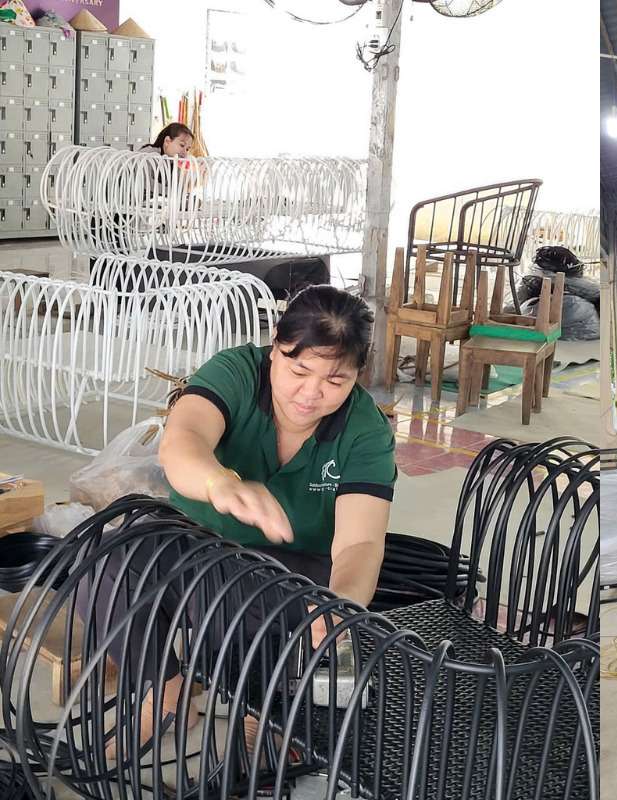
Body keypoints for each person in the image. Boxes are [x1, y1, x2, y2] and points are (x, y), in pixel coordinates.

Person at [103, 284, 397, 753]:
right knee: (110, 564)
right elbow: (183, 440)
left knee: (244, 610)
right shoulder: (237, 371)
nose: (311, 393)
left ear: (357, 375)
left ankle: (263, 714)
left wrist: (340, 606)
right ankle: (164, 694)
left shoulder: (365, 431)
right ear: (275, 346)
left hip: (296, 565)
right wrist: (220, 484)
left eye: (335, 381)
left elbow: (360, 543)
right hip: (202, 537)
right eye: (299, 370)